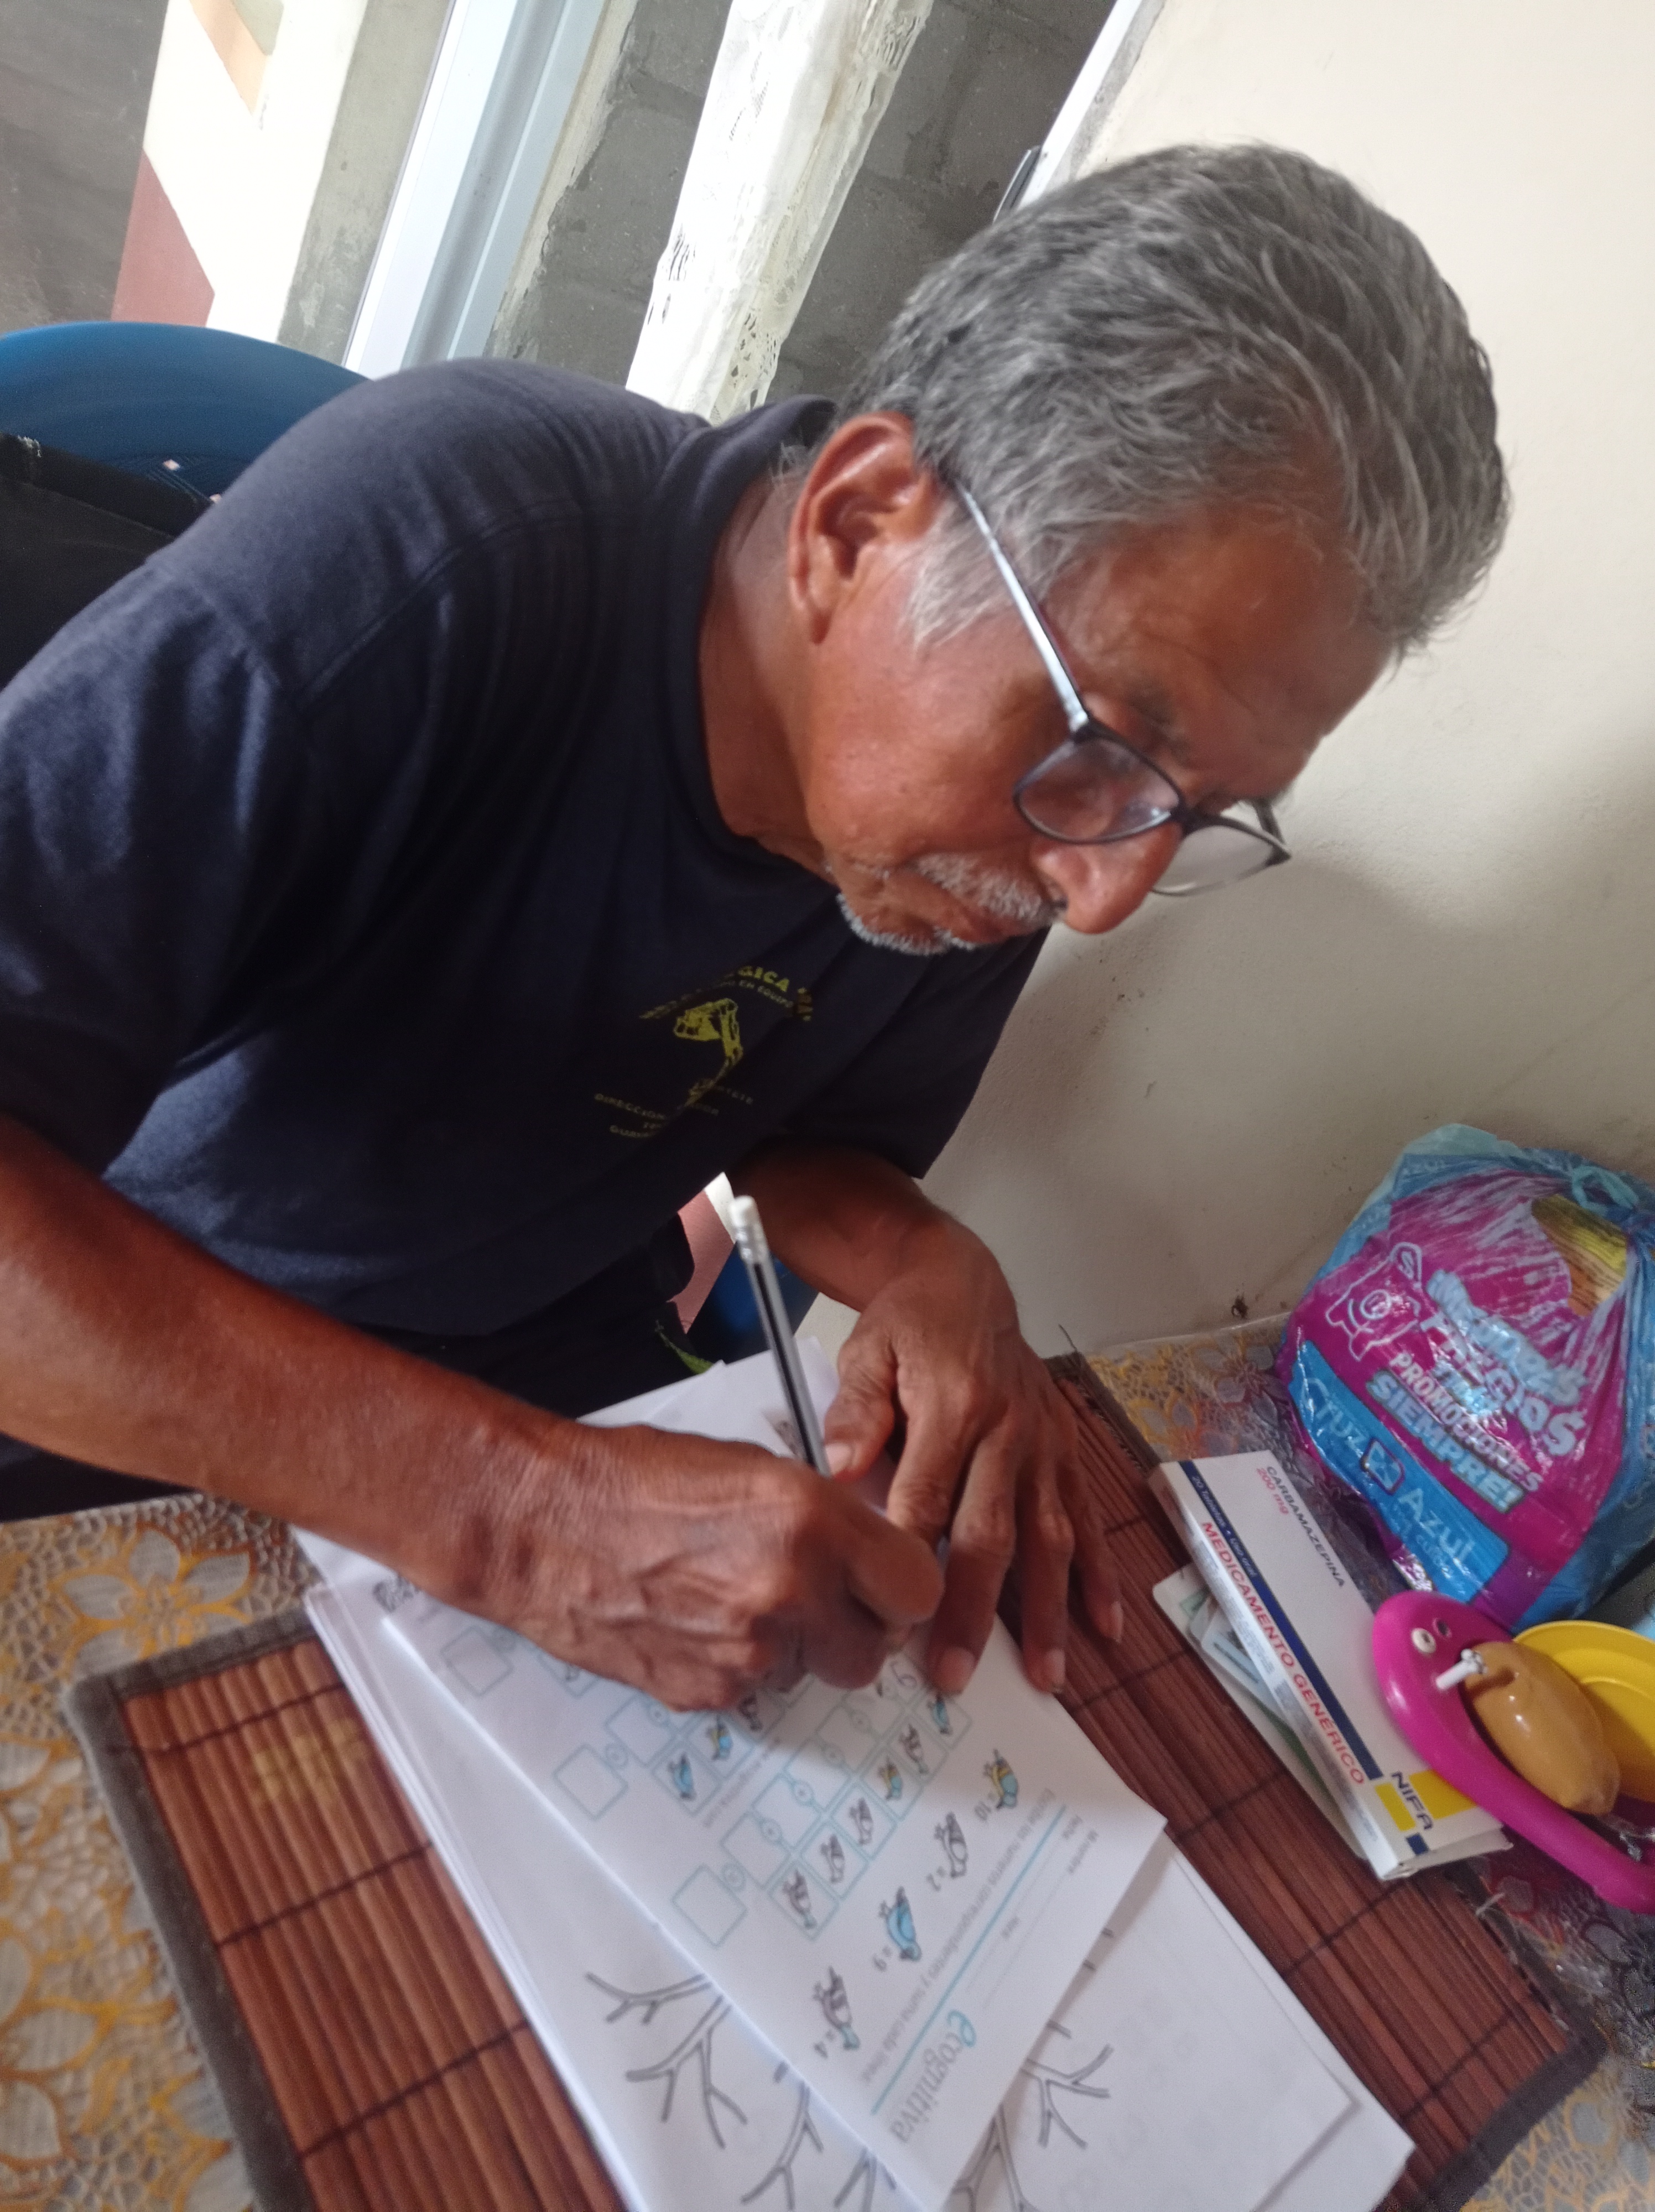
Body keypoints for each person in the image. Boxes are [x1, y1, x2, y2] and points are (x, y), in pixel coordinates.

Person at [0, 145, 1506, 1711]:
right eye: (1108, 744)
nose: (1105, 894)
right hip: (124, 1371)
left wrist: (924, 1259)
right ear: (857, 523)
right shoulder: (440, 555)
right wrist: (511, 1518)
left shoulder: (1004, 835)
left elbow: (804, 1132)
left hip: (525, 1377)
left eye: (1193, 814)